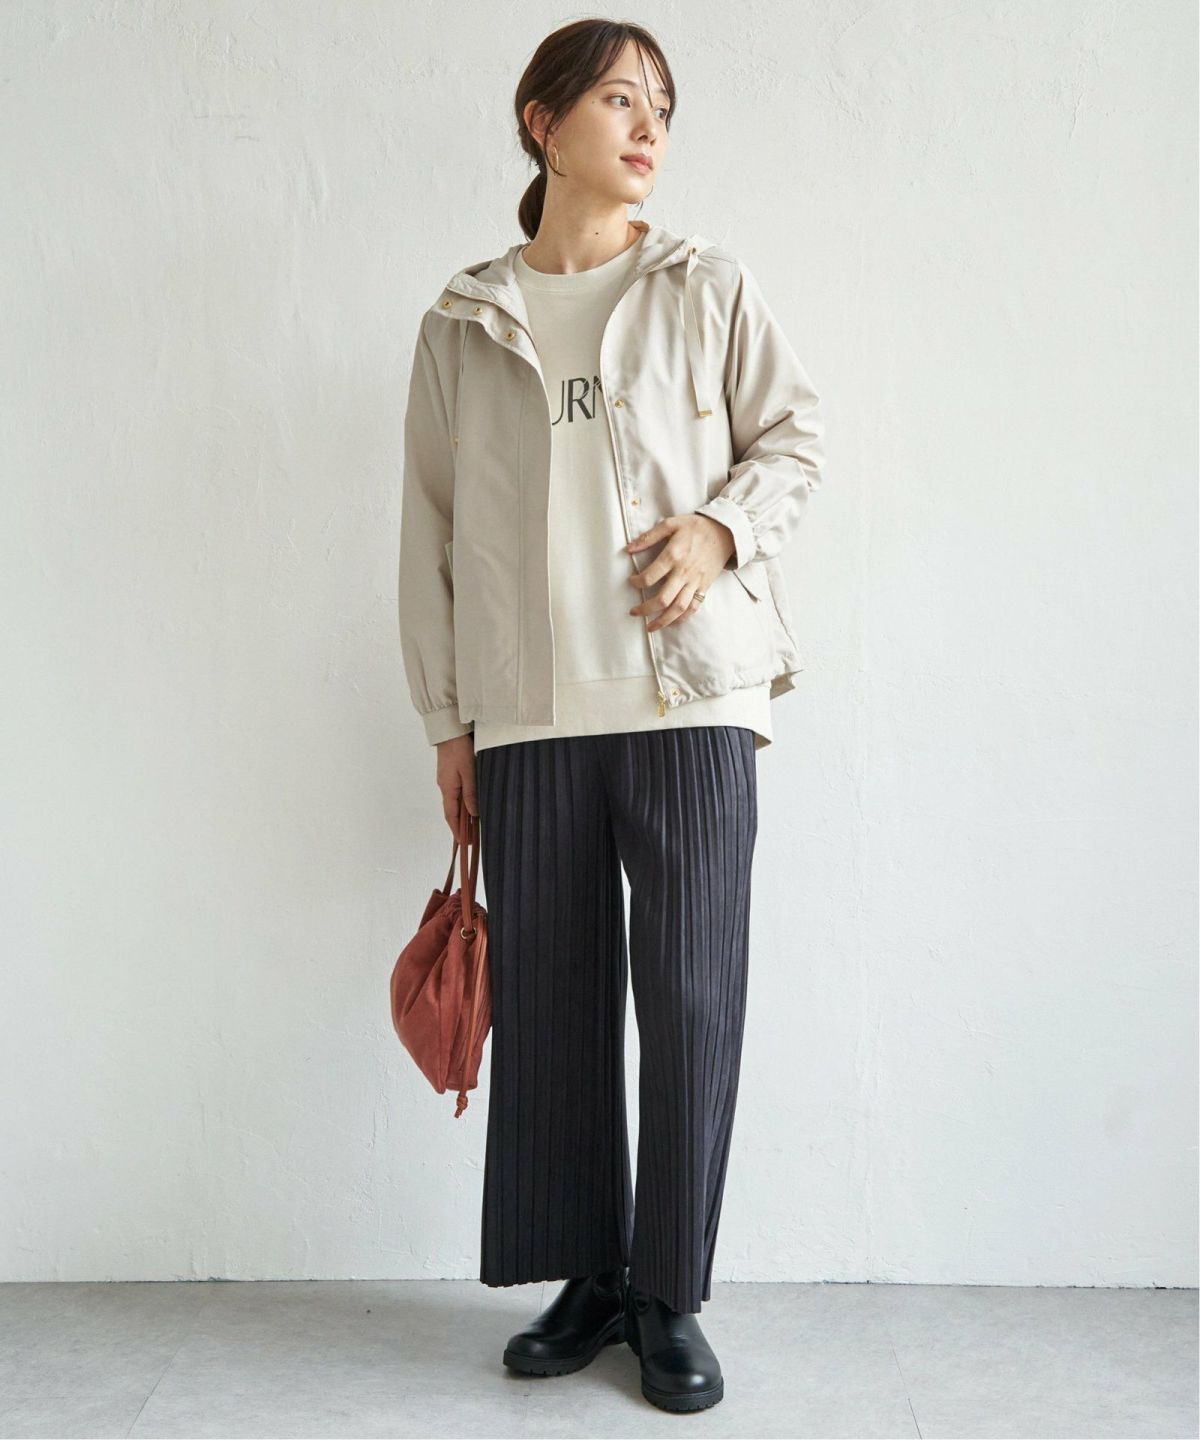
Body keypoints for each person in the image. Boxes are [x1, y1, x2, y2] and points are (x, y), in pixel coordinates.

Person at [397, 18, 825, 1415]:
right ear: (543, 120)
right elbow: (429, 529)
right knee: (559, 1011)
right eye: (621, 100)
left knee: (691, 1001)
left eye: (663, 107)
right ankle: (590, 1275)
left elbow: (795, 438)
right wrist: (449, 722)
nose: (650, 128)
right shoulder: (464, 319)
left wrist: (719, 529)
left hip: (690, 702)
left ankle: (669, 1294)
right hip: (528, 718)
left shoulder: (704, 284)